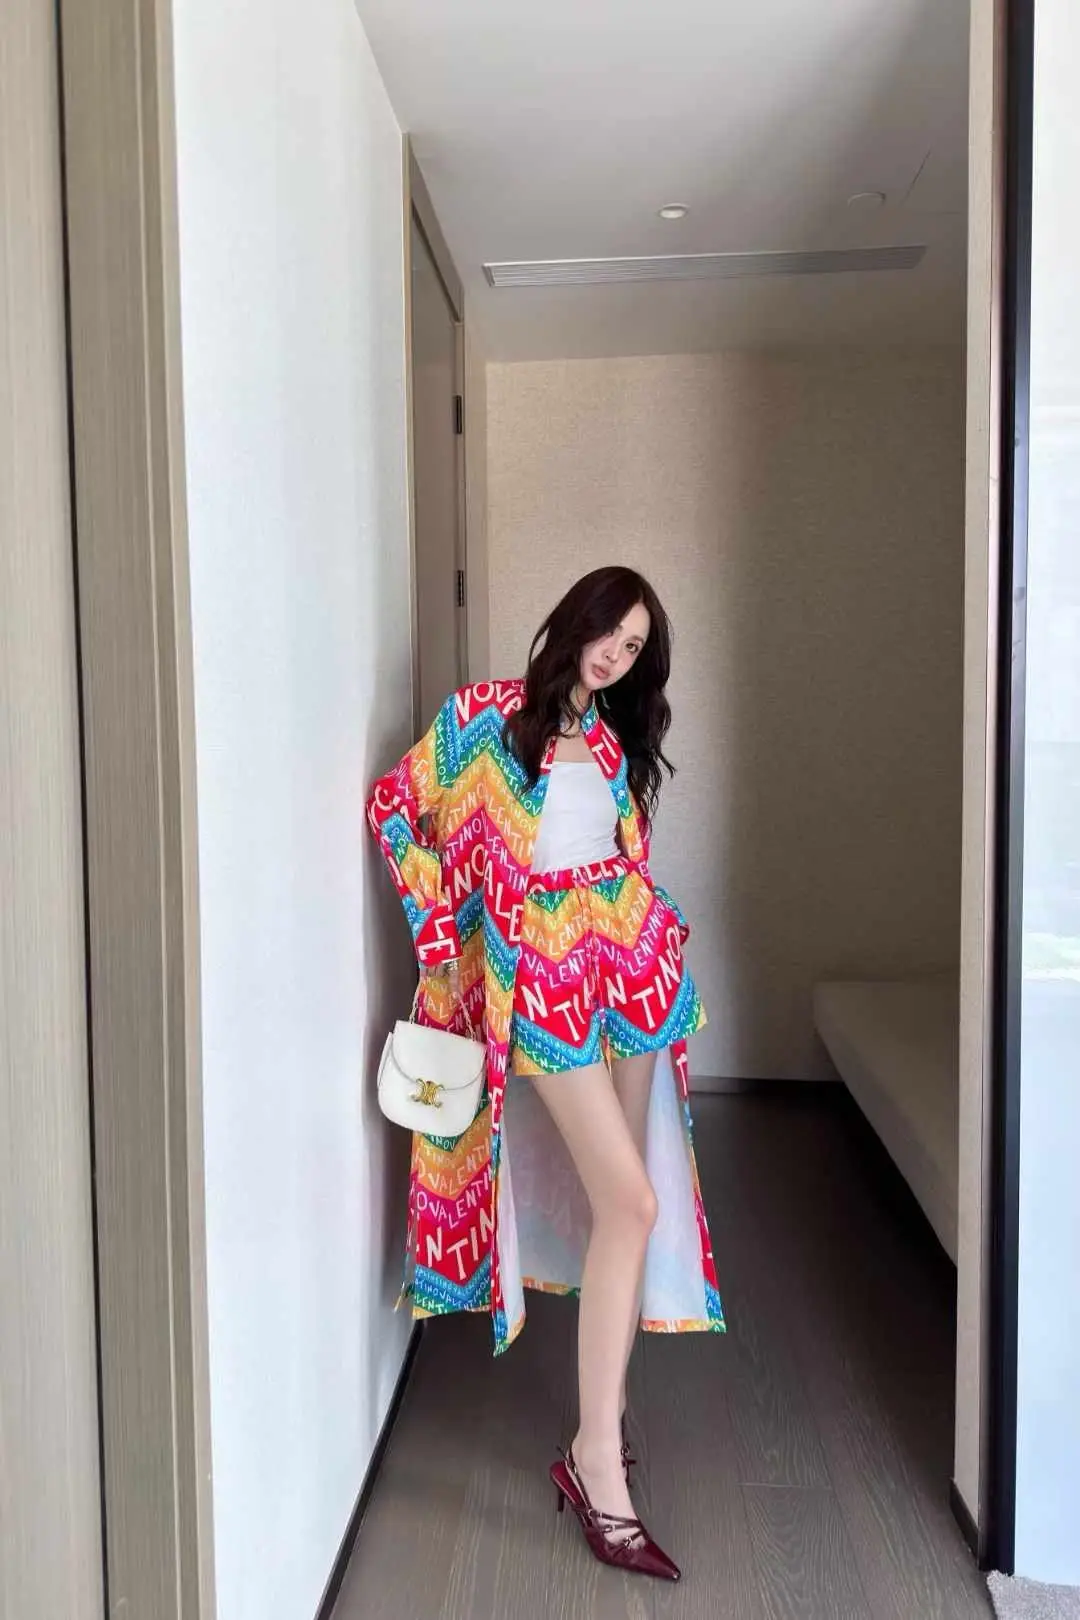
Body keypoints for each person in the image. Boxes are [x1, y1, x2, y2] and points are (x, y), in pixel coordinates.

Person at [366, 565, 724, 1582]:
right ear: (575, 621)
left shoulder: (610, 738)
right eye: (609, 632)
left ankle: (604, 1420)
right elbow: (393, 807)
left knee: (632, 1206)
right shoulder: (483, 715)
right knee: (632, 1202)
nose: (614, 655)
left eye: (633, 647)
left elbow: (616, 853)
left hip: (631, 968)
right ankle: (595, 1462)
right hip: (545, 983)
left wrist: (656, 925)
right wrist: (440, 928)